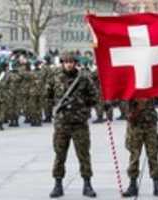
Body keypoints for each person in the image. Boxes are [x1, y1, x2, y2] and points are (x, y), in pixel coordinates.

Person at [49, 53, 98, 198]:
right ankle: (58, 184)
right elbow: (47, 95)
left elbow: (94, 96)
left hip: (79, 124)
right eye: (66, 62)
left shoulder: (84, 78)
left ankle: (87, 184)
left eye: (71, 62)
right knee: (60, 155)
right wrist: (57, 107)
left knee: (84, 155)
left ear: (75, 63)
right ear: (62, 63)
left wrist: (82, 106)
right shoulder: (56, 78)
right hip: (62, 124)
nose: (69, 64)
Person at [122, 99, 158, 198]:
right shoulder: (130, 85)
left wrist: (149, 98)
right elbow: (123, 98)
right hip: (135, 124)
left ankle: (157, 184)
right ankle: (132, 184)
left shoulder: (151, 85)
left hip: (150, 123)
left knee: (153, 155)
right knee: (134, 156)